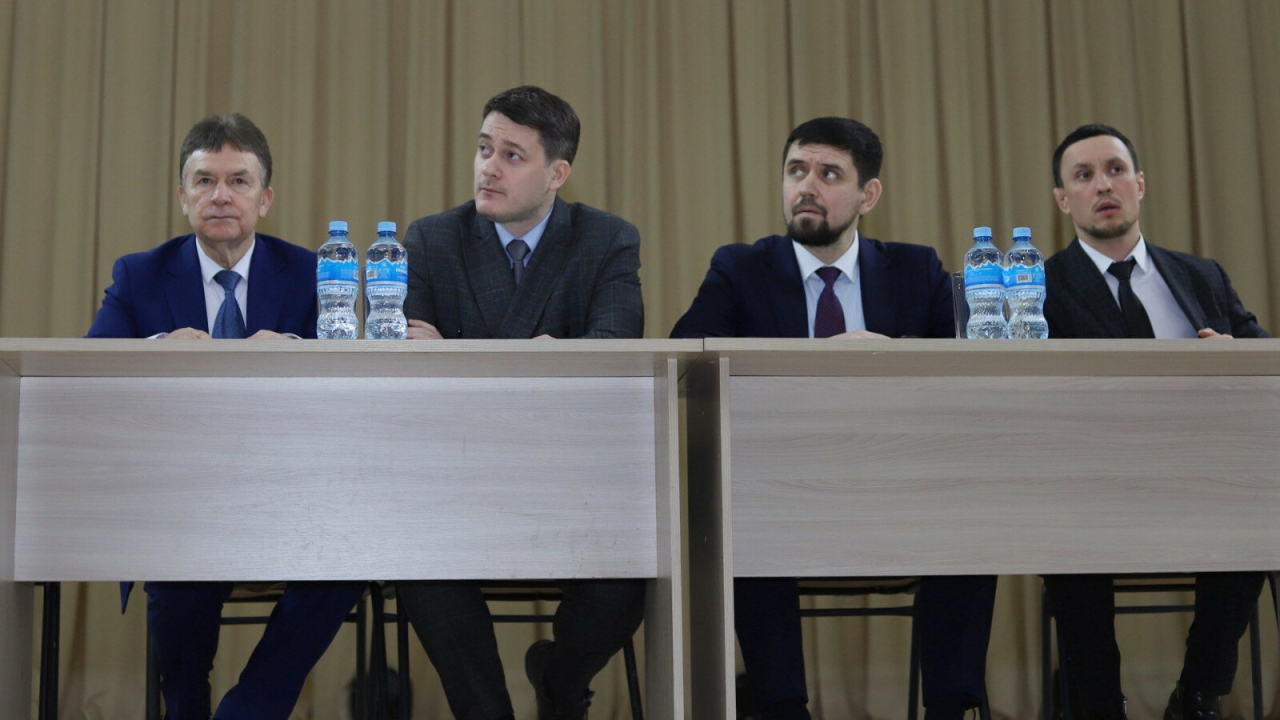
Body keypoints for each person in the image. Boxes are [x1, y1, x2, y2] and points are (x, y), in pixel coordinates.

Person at [671, 116, 997, 720]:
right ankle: (783, 708)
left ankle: (951, 708)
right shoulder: (741, 268)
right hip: (783, 488)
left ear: (867, 194)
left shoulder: (916, 268)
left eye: (829, 174)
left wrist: (890, 354)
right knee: (742, 510)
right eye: (796, 171)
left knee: (970, 510)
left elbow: (964, 372)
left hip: (900, 485)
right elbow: (688, 353)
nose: (807, 186)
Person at [86, 113, 365, 720]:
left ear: (264, 200)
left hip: (290, 494)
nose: (220, 196)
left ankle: (247, 711)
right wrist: (158, 350)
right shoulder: (140, 274)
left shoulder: (314, 274)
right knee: (178, 576)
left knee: (345, 560)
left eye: (238, 181)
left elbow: (352, 391)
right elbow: (91, 372)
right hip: (184, 498)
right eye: (205, 180)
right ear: (182, 196)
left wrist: (297, 355)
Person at [397, 85, 645, 720]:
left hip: (570, 475)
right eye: (484, 149)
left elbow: (613, 351)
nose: (489, 167)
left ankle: (560, 680)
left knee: (630, 578)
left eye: (512, 155)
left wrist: (456, 353)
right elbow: (408, 371)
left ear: (556, 174)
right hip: (458, 476)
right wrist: (541, 357)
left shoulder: (606, 240)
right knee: (420, 570)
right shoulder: (432, 240)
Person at [1042, 123, 1267, 720]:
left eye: (1115, 170)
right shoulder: (1039, 287)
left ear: (1139, 184)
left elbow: (1267, 364)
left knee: (1259, 513)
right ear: (1063, 199)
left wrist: (1235, 360)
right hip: (1090, 486)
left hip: (1201, 482)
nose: (1103, 185)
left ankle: (1197, 694)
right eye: (1083, 176)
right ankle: (1099, 705)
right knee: (1063, 528)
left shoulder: (1200, 275)